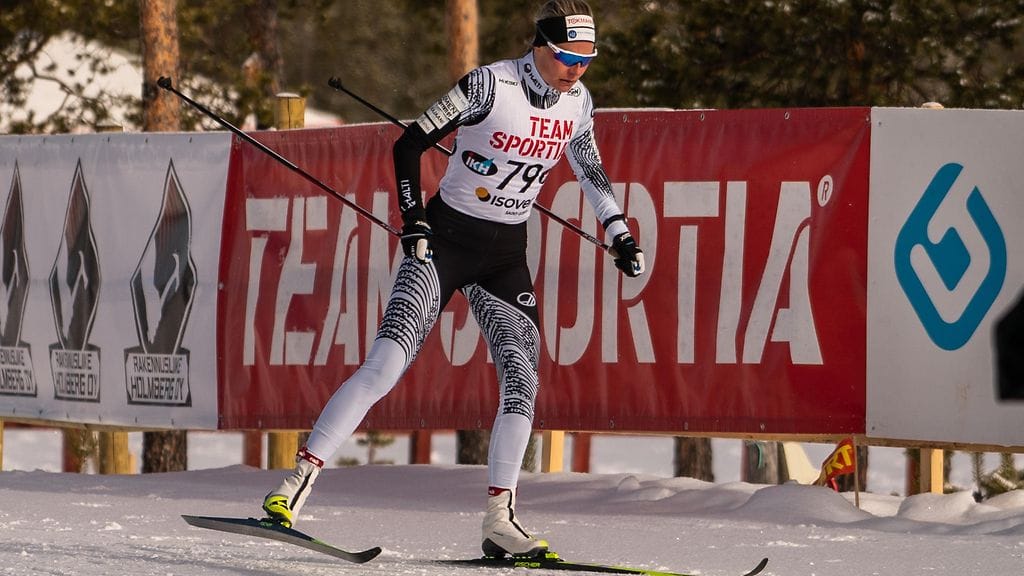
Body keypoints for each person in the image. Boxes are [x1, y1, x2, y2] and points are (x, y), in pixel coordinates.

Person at [261, 0, 645, 559]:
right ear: (539, 45)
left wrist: (619, 232)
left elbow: (590, 169)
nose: (576, 69)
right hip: (444, 241)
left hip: (505, 255)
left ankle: (499, 519)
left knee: (523, 378)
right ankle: (292, 488)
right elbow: (409, 143)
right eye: (565, 56)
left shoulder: (578, 103)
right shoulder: (490, 85)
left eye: (586, 59)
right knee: (387, 362)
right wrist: (413, 218)